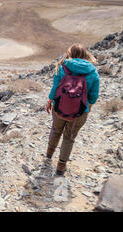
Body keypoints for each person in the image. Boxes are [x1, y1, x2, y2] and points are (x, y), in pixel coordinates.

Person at [45, 43, 100, 176]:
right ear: (85, 55)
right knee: (69, 137)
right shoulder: (93, 72)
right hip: (80, 111)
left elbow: (55, 87)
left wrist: (50, 100)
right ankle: (61, 166)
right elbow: (93, 95)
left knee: (56, 129)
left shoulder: (62, 66)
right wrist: (89, 105)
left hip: (59, 107)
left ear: (70, 53)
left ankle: (48, 155)